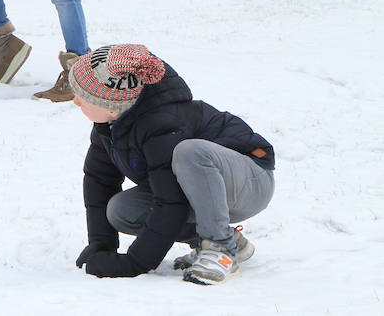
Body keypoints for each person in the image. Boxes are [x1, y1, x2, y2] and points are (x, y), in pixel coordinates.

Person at [70, 44, 276, 285]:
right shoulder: (112, 126)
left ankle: (220, 247)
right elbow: (99, 178)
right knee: (121, 210)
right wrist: (101, 244)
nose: (75, 101)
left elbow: (171, 203)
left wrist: (136, 263)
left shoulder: (163, 124)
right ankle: (226, 240)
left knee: (190, 152)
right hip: (203, 189)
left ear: (111, 108)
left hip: (250, 180)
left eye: (83, 97)